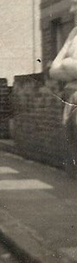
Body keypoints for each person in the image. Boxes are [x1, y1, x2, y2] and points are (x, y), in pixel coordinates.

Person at [50, 26, 77, 178]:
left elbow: (62, 66)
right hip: (71, 98)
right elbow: (53, 70)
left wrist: (66, 64)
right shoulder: (74, 35)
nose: (74, 10)